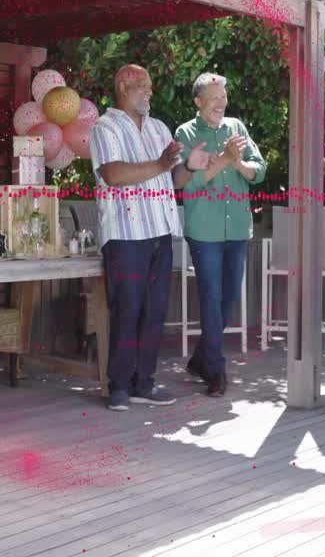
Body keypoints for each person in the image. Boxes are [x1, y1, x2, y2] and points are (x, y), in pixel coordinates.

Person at [90, 64, 209, 411]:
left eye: (151, 86)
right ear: (123, 86)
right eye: (143, 85)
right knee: (127, 309)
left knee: (155, 312)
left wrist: (190, 167)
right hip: (126, 234)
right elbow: (112, 174)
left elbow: (173, 180)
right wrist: (159, 165)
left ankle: (144, 383)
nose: (150, 91)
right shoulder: (105, 127)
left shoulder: (159, 128)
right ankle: (119, 388)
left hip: (161, 230)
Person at [174, 73, 267, 397]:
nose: (221, 102)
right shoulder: (185, 133)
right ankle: (215, 370)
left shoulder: (236, 127)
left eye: (223, 96)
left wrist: (238, 164)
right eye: (213, 97)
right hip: (204, 231)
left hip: (237, 228)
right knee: (211, 299)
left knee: (227, 299)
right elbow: (191, 183)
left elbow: (260, 170)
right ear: (199, 102)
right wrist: (225, 158)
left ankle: (201, 358)